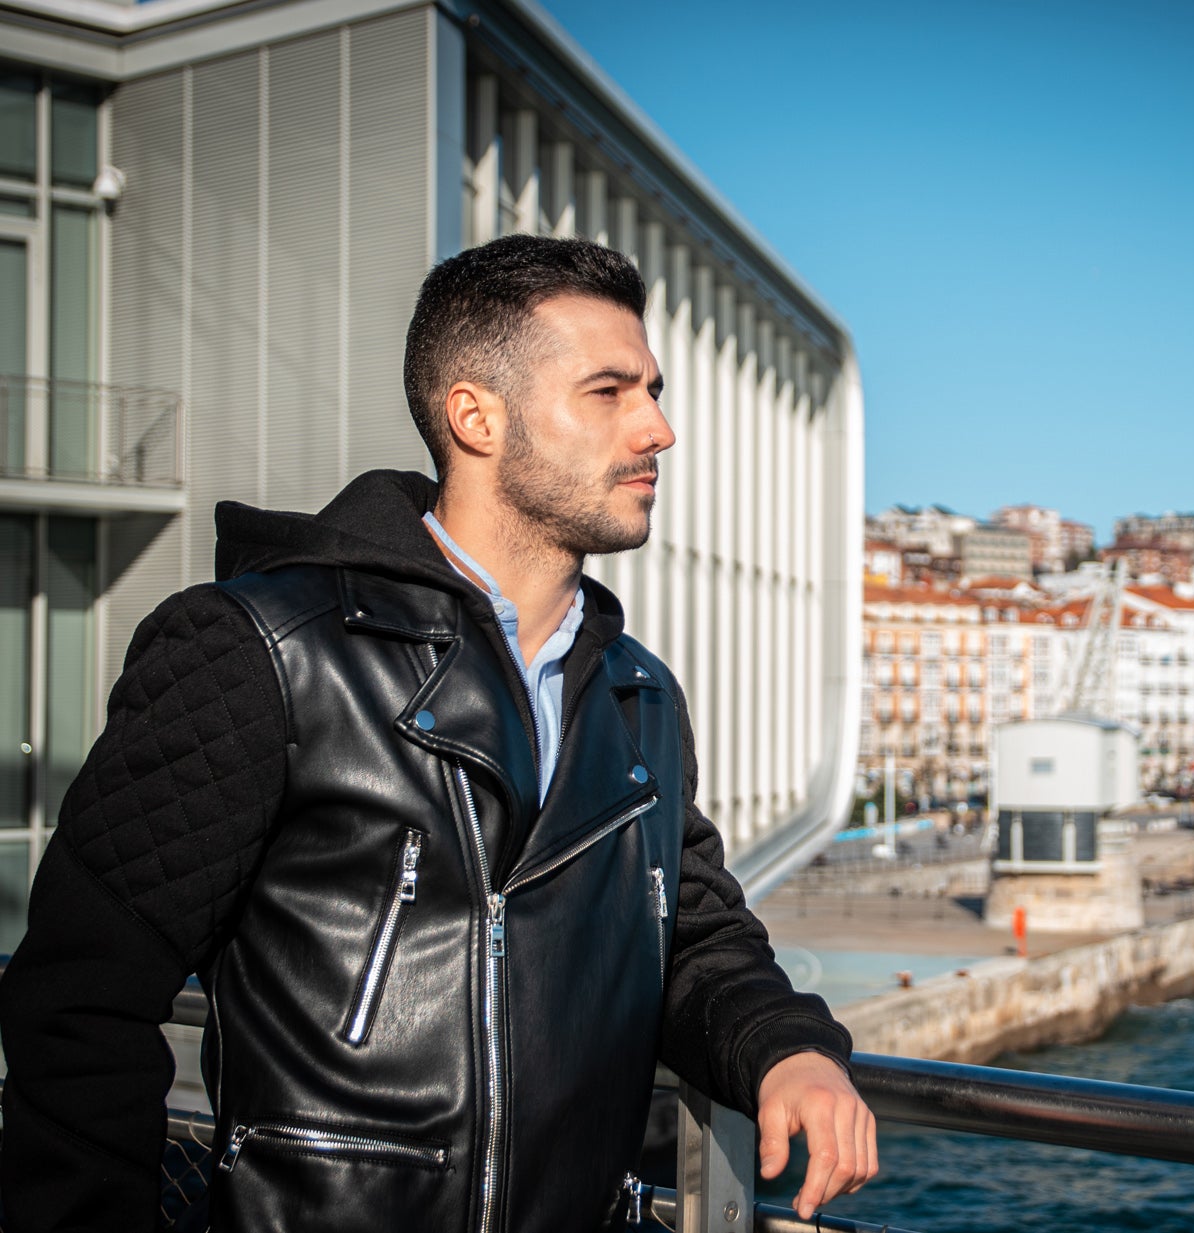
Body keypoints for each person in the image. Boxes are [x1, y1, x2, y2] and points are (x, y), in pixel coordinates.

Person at [0, 235, 877, 1231]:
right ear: (475, 416)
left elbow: (691, 934)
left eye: (655, 389)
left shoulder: (640, 697)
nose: (659, 428)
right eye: (610, 391)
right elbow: (79, 1002)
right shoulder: (264, 651)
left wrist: (787, 1046)